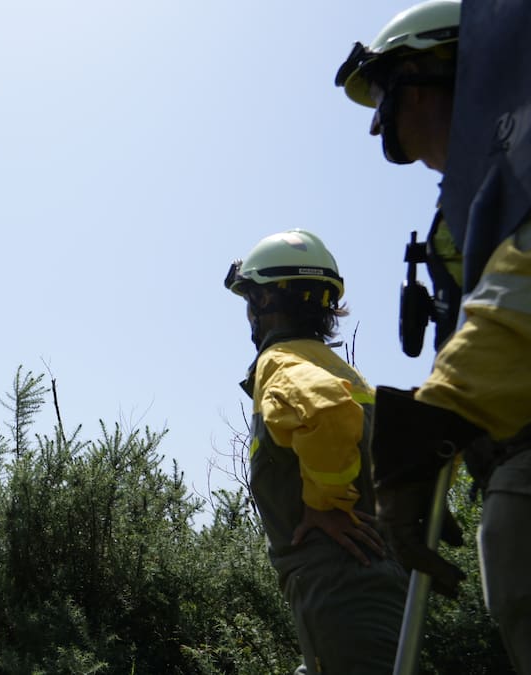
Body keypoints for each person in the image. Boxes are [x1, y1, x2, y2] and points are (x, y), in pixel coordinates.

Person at [337, 2, 531, 671]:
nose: (375, 123)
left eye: (384, 93)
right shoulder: (470, 204)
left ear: (428, 76)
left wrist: (434, 424)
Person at [225, 229, 408, 674]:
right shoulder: (340, 368)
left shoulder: (282, 360)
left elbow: (328, 411)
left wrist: (324, 504)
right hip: (371, 576)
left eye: (250, 298)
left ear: (265, 302)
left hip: (339, 579)